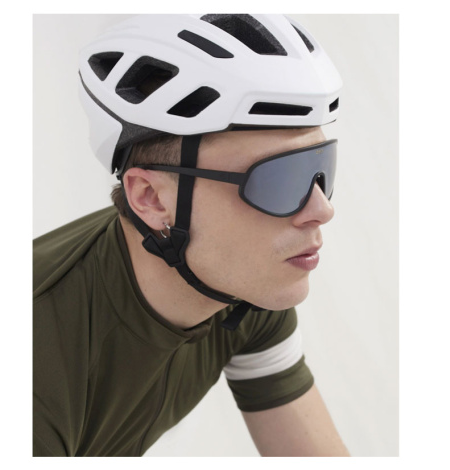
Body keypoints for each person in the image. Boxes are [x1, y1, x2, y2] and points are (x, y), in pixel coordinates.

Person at [33, 14, 349, 457]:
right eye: (279, 180)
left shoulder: (247, 288)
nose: (322, 210)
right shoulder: (32, 358)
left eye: (320, 170)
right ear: (151, 198)